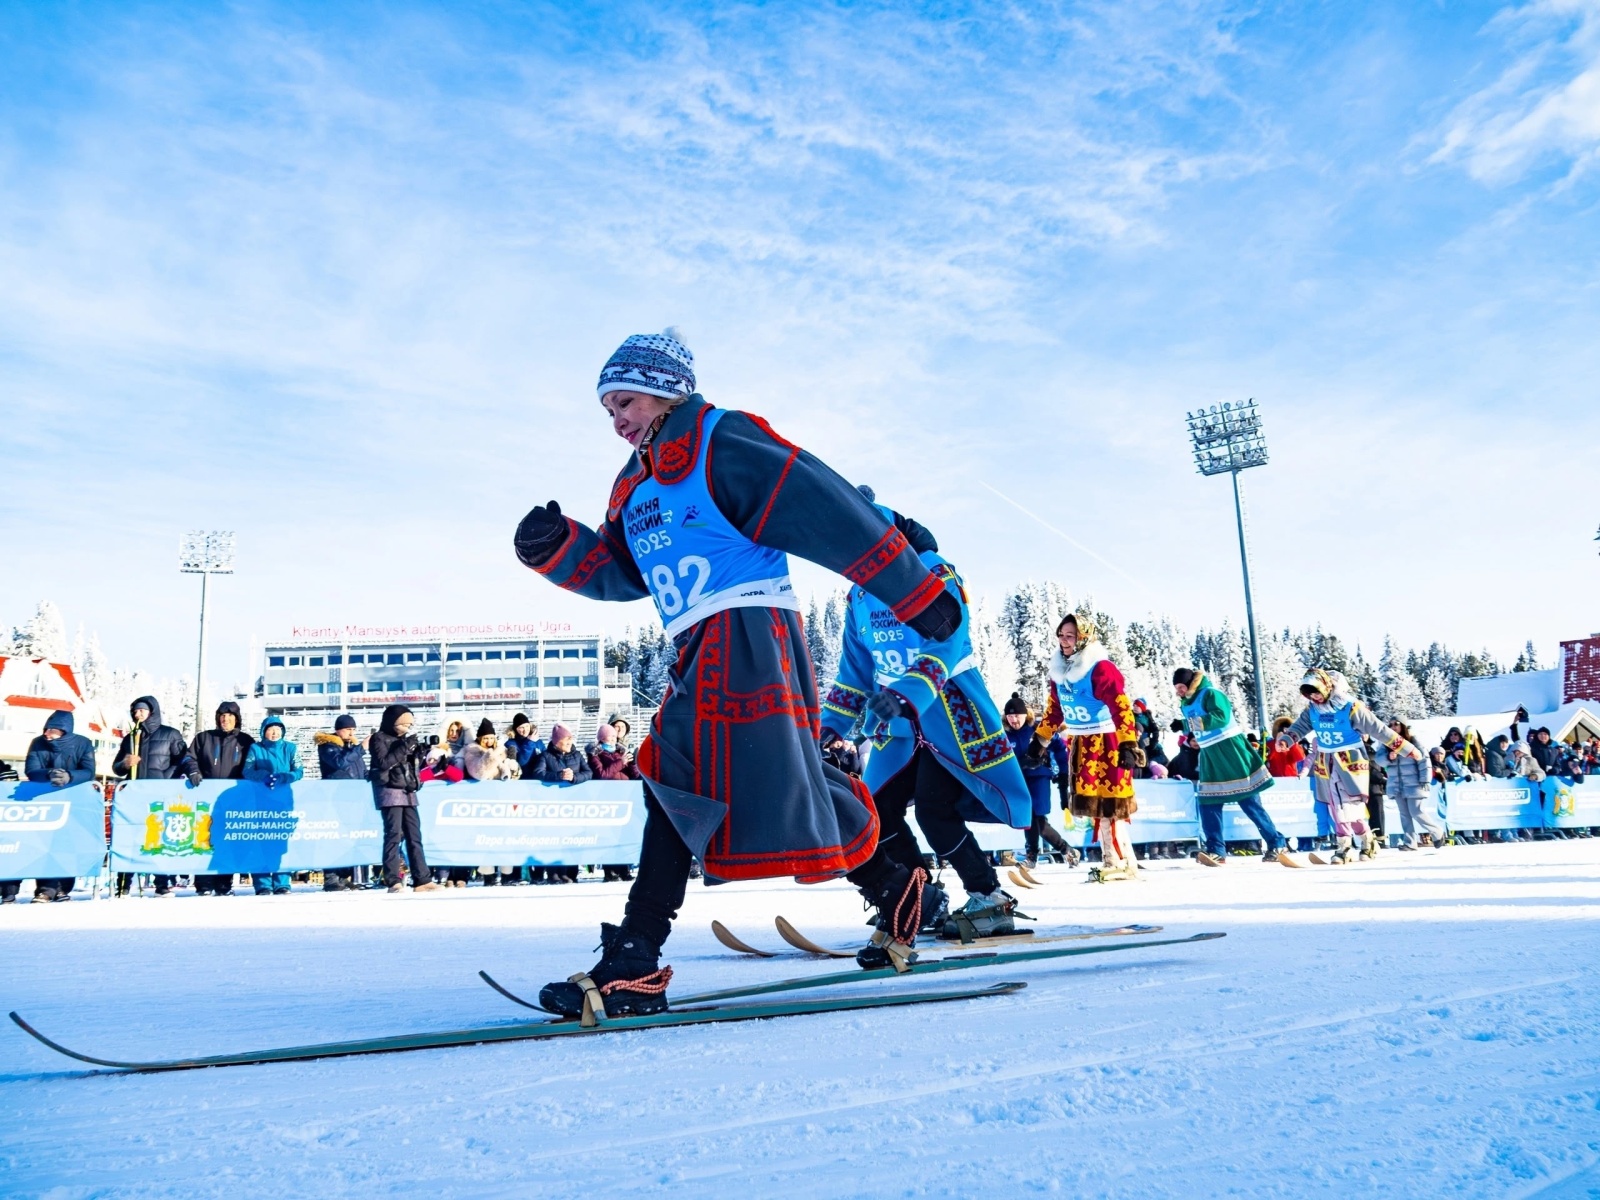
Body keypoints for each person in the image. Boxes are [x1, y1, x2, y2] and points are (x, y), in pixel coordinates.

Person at [512, 328, 960, 1016]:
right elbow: (625, 572)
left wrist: (915, 591)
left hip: (750, 633)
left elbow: (826, 507)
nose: (616, 420)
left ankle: (636, 955)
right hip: (698, 643)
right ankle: (896, 886)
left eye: (625, 401)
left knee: (672, 771)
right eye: (607, 409)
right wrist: (560, 549)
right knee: (786, 780)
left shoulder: (722, 440)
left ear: (666, 391)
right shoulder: (634, 485)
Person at [820, 502, 1029, 950]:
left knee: (935, 809)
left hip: (950, 713)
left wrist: (909, 692)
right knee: (875, 811)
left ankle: (989, 897)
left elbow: (948, 642)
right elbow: (854, 671)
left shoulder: (933, 573)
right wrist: (829, 725)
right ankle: (919, 898)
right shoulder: (858, 596)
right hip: (894, 725)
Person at [1275, 669, 1424, 864]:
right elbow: (1300, 727)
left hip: (1350, 762)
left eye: (1317, 692)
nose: (1315, 697)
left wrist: (1406, 748)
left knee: (1349, 805)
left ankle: (1364, 841)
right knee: (1335, 806)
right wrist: (1287, 740)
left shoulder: (1350, 707)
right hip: (1326, 762)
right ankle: (1345, 845)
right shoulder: (1313, 710)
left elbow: (1379, 729)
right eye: (1310, 694)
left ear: (1326, 687)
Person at [1034, 613, 1140, 882]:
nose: (1064, 640)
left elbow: (1121, 707)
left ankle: (1118, 861)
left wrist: (1128, 744)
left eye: (1070, 636)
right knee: (1096, 805)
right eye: (1061, 635)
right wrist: (1039, 741)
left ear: (1083, 638)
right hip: (1082, 744)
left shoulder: (1100, 668)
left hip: (1108, 743)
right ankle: (1118, 859)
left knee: (1110, 804)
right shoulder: (1059, 672)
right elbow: (1054, 710)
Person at [1173, 668, 1299, 868]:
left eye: (1181, 686)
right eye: (1176, 688)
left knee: (1248, 800)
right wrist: (1186, 725)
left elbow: (1221, 717)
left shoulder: (1211, 694)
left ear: (1190, 684)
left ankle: (1277, 843)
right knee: (1208, 802)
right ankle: (1216, 850)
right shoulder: (1186, 702)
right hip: (1209, 754)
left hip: (1230, 750)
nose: (1179, 691)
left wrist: (1187, 724)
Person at [111, 696, 198, 896]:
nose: (138, 714)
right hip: (135, 797)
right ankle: (123, 886)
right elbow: (116, 768)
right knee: (130, 840)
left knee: (159, 839)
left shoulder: (170, 734)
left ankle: (162, 884)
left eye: (142, 710)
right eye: (135, 711)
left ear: (152, 712)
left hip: (160, 795)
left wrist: (192, 770)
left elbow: (184, 758)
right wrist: (125, 763)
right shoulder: (131, 738)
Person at [13, 710, 97, 902]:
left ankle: (63, 888)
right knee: (45, 844)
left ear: (63, 730)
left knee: (69, 843)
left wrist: (70, 776)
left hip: (74, 801)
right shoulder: (37, 743)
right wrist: (49, 774)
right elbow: (31, 770)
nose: (46, 733)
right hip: (44, 800)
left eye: (51, 730)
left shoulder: (83, 743)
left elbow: (89, 771)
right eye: (46, 729)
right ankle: (45, 889)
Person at [366, 704, 441, 893]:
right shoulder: (378, 738)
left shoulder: (404, 740)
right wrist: (406, 746)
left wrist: (420, 752)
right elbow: (384, 763)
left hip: (408, 791)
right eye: (404, 724)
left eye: (409, 725)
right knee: (393, 836)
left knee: (415, 836)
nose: (407, 728)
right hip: (389, 792)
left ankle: (422, 879)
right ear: (393, 722)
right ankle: (393, 881)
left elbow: (411, 765)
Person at [999, 694, 1075, 869]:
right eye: (1010, 716)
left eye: (1017, 715)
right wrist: (1021, 763)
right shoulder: (1003, 735)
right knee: (1028, 818)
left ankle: (1041, 854)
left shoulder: (1037, 730)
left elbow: (1060, 748)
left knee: (1037, 818)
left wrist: (1063, 773)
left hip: (1039, 777)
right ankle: (1056, 851)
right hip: (1018, 781)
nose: (1013, 720)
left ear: (1025, 715)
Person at [187, 700, 255, 896]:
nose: (226, 719)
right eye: (222, 716)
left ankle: (224, 884)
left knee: (228, 841)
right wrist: (193, 771)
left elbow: (253, 765)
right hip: (205, 799)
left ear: (237, 719)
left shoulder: (245, 741)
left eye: (230, 716)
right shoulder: (203, 738)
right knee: (203, 838)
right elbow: (189, 757)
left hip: (233, 799)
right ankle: (203, 884)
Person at [242, 716, 303, 895]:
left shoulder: (290, 748)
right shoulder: (256, 749)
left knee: (280, 840)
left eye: (278, 729)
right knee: (260, 841)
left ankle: (282, 882)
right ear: (264, 731)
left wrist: (285, 776)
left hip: (284, 801)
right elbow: (247, 770)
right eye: (270, 729)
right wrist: (262, 775)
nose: (274, 733)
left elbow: (299, 770)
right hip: (260, 801)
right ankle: (262, 884)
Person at [314, 714, 367, 890]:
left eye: (353, 730)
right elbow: (340, 763)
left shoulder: (351, 748)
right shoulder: (327, 745)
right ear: (338, 730)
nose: (351, 733)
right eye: (348, 729)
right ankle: (330, 878)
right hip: (334, 798)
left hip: (353, 799)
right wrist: (360, 749)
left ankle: (343, 876)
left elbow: (362, 772)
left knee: (349, 839)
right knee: (333, 838)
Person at [1378, 719, 1445, 850]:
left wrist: (1425, 779)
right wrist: (1388, 757)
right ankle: (1410, 842)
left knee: (1416, 811)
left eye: (1396, 724)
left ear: (1403, 725)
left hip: (1414, 783)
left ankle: (1437, 832)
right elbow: (1378, 759)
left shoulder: (1413, 741)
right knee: (1404, 814)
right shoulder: (1386, 743)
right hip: (1397, 784)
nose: (1393, 727)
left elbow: (1424, 760)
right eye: (1390, 725)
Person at [588, 723, 641, 882]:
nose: (612, 739)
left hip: (625, 797)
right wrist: (621, 762)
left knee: (624, 835)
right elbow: (602, 774)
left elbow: (635, 775)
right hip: (607, 798)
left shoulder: (621, 752)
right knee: (608, 835)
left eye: (613, 736)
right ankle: (609, 870)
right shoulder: (595, 755)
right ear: (601, 739)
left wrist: (633, 763)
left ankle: (624, 869)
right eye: (608, 737)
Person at [505, 713, 545, 778]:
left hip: (538, 778)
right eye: (521, 727)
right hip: (522, 779)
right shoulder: (511, 744)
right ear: (515, 729)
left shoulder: (538, 741)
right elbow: (521, 762)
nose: (525, 730)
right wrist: (530, 742)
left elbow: (546, 757)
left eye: (527, 726)